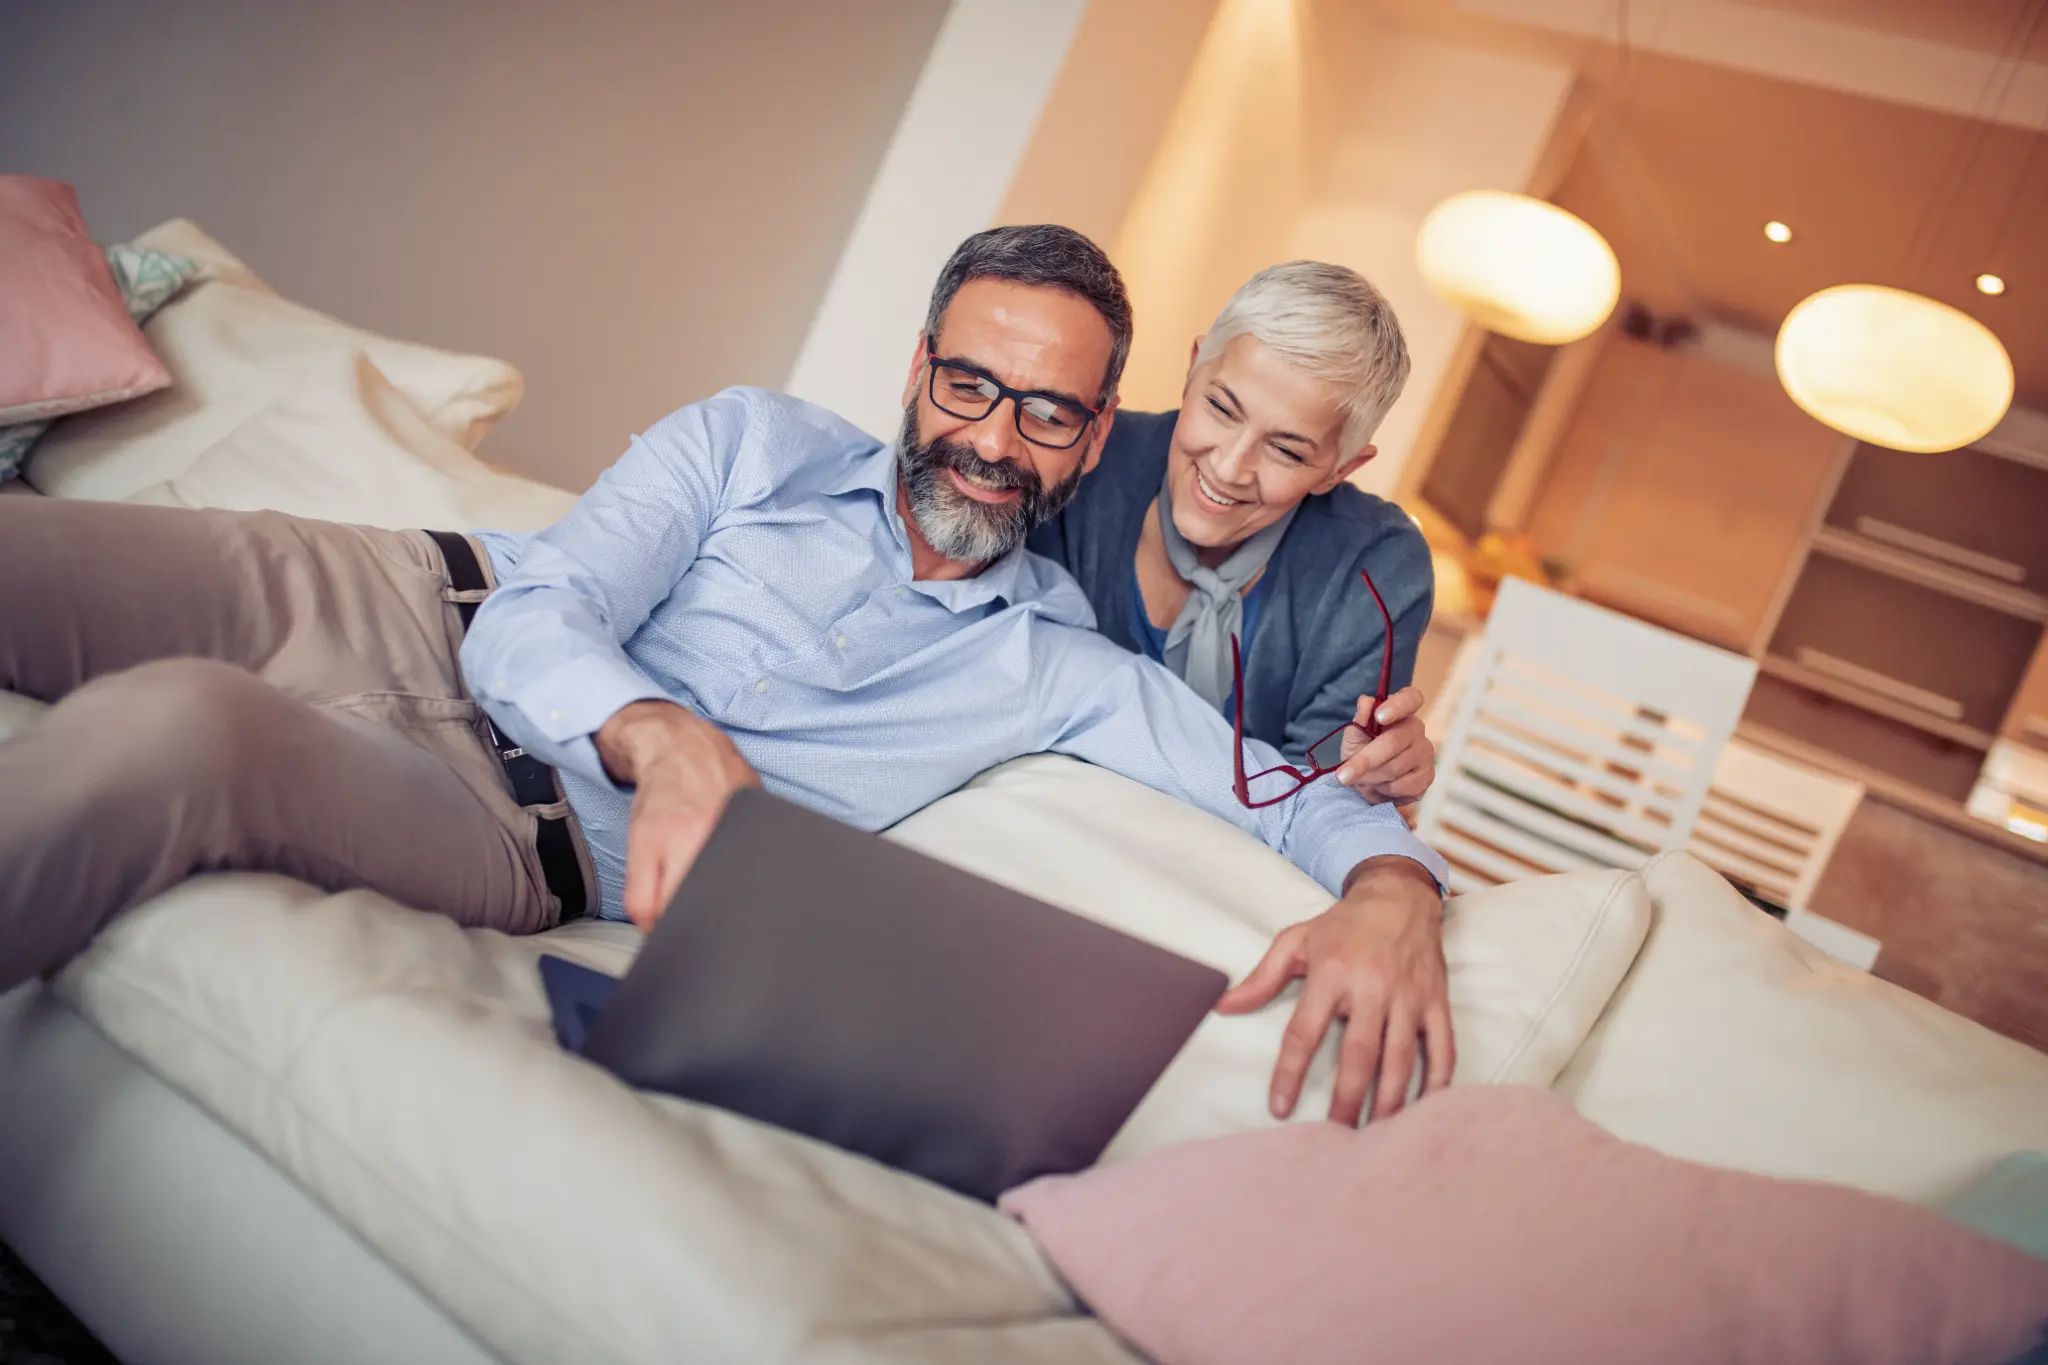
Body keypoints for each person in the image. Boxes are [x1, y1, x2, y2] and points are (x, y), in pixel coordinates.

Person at [0, 225, 1450, 1126]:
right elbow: (536, 612)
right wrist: (666, 735)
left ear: (1088, 438)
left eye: (1049, 413)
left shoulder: (1056, 662)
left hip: (504, 826)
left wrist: (1394, 894)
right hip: (397, 594)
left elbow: (1289, 796)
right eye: (969, 386)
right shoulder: (752, 441)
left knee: (179, 734)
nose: (996, 441)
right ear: (917, 367)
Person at [1030, 261, 1437, 806]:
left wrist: (1365, 782)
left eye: (1287, 450)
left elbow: (1313, 802)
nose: (1230, 467)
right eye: (1221, 408)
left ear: (1340, 469)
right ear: (1194, 366)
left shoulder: (1376, 565)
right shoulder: (1081, 459)